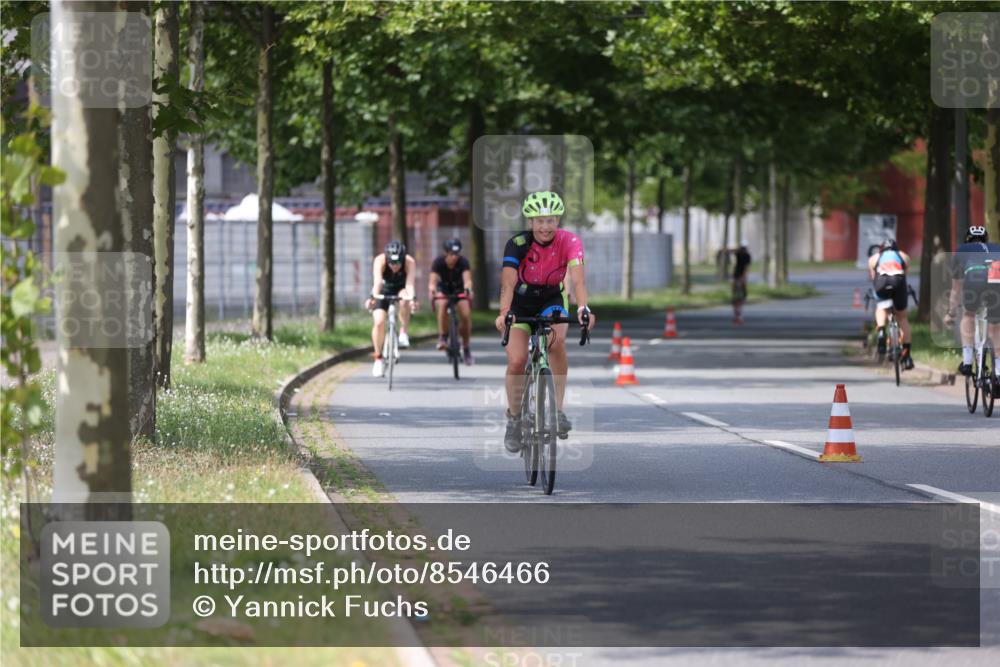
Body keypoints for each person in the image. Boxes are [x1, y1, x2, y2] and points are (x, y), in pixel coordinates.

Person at [494, 191, 596, 453]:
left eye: (550, 220)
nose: (545, 226)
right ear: (530, 221)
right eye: (539, 220)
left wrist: (583, 307)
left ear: (558, 219)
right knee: (516, 360)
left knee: (556, 343)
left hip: (552, 297)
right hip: (520, 301)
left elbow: (579, 280)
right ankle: (514, 419)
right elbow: (507, 283)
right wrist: (504, 311)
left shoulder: (570, 241)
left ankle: (557, 411)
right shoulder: (517, 243)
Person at [945, 225, 1000, 378]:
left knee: (968, 314)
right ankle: (998, 371)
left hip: (975, 279)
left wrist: (951, 313)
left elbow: (956, 288)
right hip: (997, 280)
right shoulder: (996, 247)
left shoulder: (961, 250)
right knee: (996, 326)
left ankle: (968, 362)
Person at [365, 240, 417, 377]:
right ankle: (378, 358)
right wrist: (372, 297)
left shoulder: (409, 261)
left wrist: (412, 299)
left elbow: (410, 285)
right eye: (392, 263)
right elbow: (377, 282)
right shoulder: (380, 261)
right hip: (384, 290)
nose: (395, 266)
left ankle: (403, 332)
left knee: (405, 299)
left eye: (398, 263)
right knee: (379, 322)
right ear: (387, 259)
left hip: (400, 289)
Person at [867, 237, 914, 369]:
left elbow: (872, 277)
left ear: (881, 249)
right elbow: (904, 276)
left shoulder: (874, 258)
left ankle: (881, 331)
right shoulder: (904, 256)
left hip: (881, 283)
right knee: (902, 317)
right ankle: (907, 353)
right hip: (898, 283)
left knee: (881, 307)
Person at [429, 238, 474, 365]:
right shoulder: (438, 262)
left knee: (465, 314)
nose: (454, 257)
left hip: (459, 290)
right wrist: (432, 290)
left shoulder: (463, 262)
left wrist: (468, 288)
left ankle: (466, 348)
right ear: (446, 253)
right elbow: (432, 282)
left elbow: (467, 280)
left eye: (457, 254)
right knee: (442, 304)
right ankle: (443, 336)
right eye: (451, 254)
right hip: (444, 290)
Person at [732, 240, 751, 324]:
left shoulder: (738, 254)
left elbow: (733, 251)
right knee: (740, 297)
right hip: (739, 278)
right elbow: (747, 267)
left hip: (736, 277)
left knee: (737, 297)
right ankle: (739, 316)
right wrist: (744, 278)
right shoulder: (747, 255)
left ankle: (738, 315)